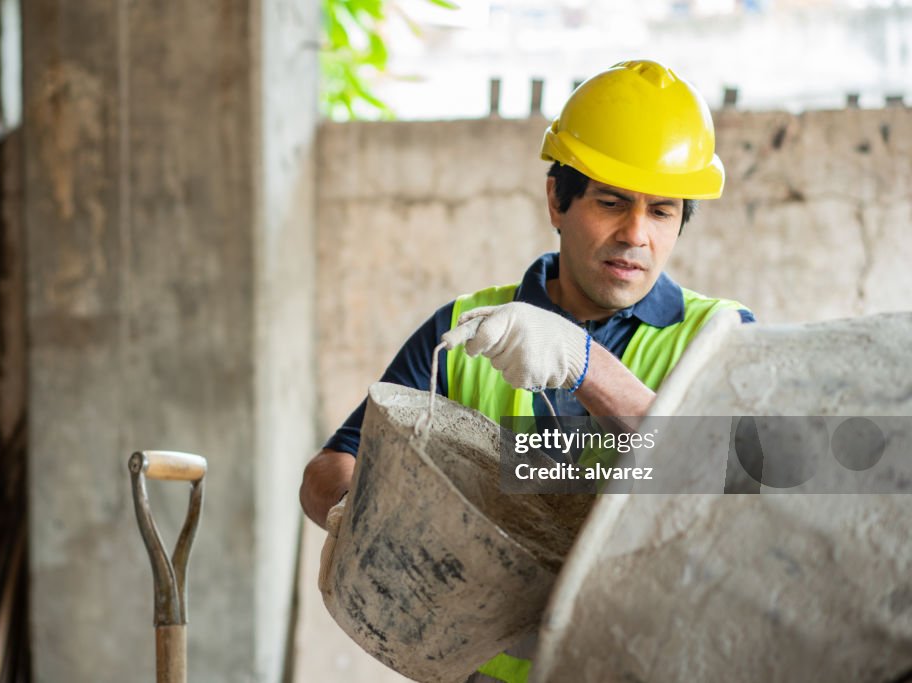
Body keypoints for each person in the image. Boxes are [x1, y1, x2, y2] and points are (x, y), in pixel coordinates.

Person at [300, 59, 755, 683]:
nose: (635, 234)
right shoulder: (466, 328)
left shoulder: (719, 337)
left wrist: (583, 363)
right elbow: (332, 467)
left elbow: (741, 482)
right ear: (556, 200)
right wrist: (371, 510)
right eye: (611, 202)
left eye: (662, 212)